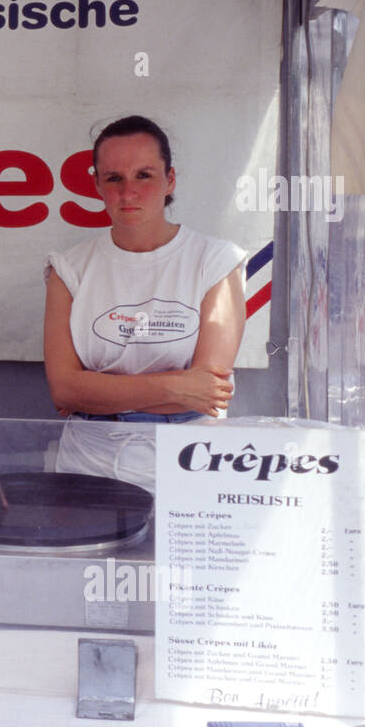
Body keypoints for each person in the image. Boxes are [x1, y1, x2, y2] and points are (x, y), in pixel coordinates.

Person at [42, 115, 247, 491]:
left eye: (144, 175)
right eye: (114, 178)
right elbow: (65, 390)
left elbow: (208, 393)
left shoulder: (216, 262)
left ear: (170, 179)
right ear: (97, 184)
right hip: (87, 464)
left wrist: (101, 392)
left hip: (191, 463)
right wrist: (177, 388)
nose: (128, 192)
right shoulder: (69, 268)